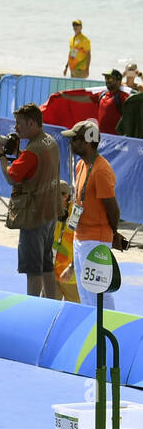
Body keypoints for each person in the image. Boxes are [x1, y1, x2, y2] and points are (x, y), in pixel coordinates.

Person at [0, 102, 60, 298]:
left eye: (19, 123)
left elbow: (11, 177)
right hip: (50, 211)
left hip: (34, 216)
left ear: (31, 123)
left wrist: (2, 155)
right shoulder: (50, 141)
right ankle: (51, 303)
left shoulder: (32, 151)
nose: (15, 128)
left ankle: (33, 306)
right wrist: (17, 155)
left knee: (32, 268)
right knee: (46, 262)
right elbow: (33, 166)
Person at [63, 119, 129, 309]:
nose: (71, 142)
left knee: (98, 294)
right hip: (81, 237)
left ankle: (107, 332)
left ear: (88, 142)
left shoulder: (101, 170)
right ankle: (96, 332)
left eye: (75, 139)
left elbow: (113, 208)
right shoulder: (81, 166)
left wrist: (112, 233)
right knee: (86, 293)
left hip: (95, 240)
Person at [97, 69, 127, 135]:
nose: (107, 81)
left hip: (116, 140)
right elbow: (85, 98)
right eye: (106, 78)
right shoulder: (102, 94)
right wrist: (68, 95)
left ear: (119, 81)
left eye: (110, 79)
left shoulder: (123, 96)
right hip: (101, 138)